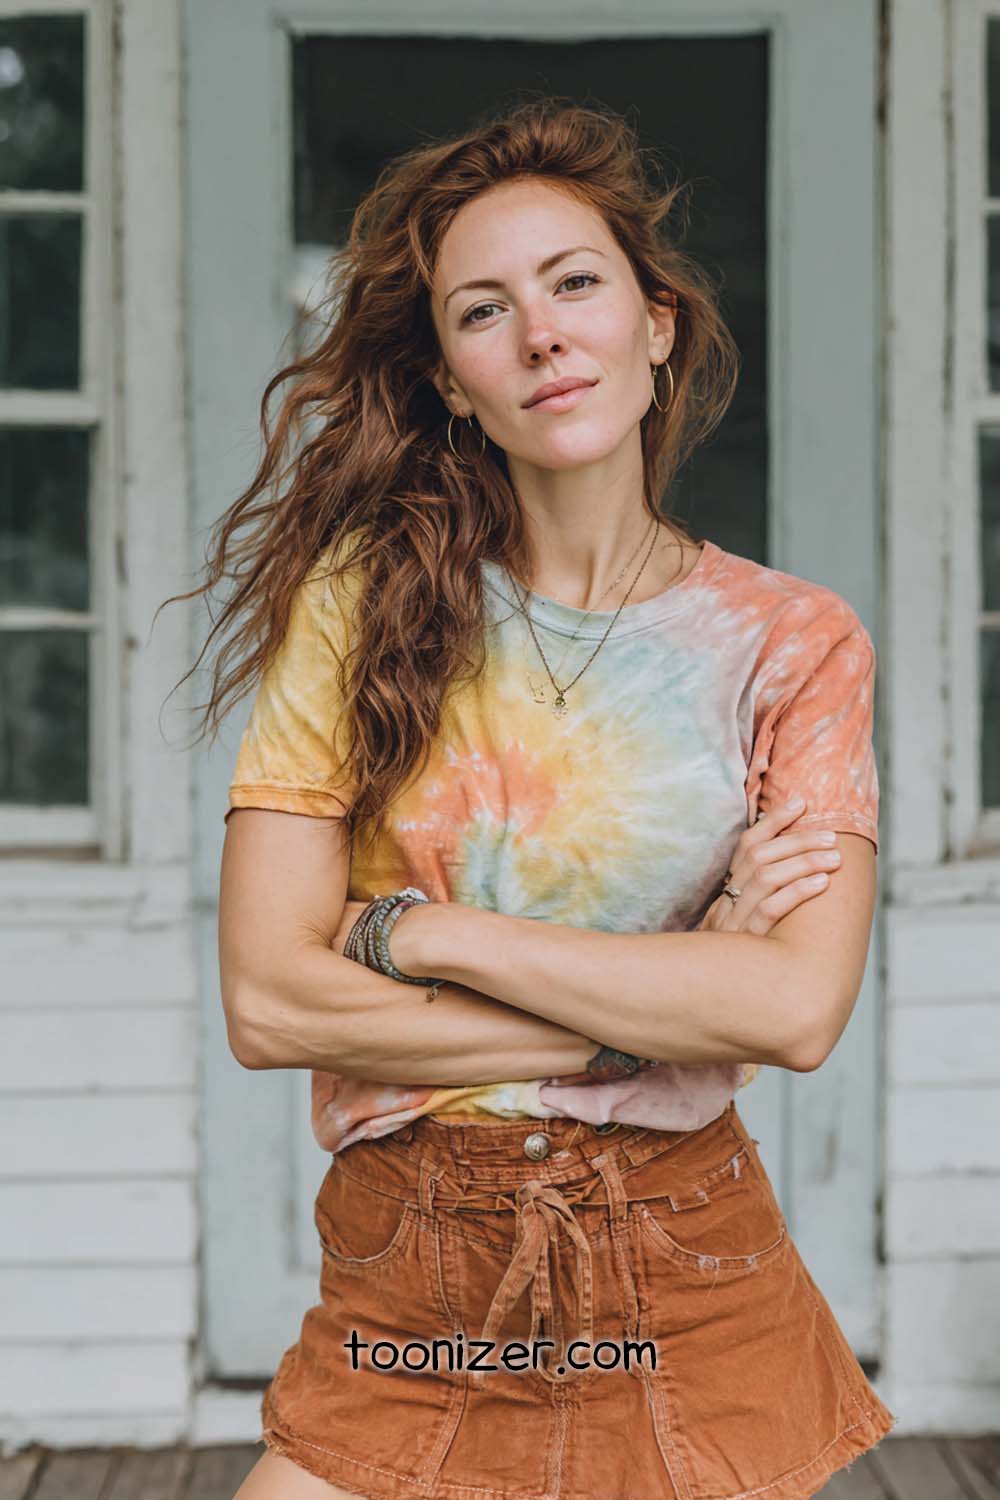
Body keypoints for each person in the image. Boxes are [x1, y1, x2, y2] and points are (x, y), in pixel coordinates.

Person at [171, 97, 895, 1499]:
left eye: (576, 284)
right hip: (416, 1277)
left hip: (689, 1272)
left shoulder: (794, 642)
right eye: (483, 311)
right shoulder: (362, 605)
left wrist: (427, 940)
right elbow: (270, 1002)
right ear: (450, 378)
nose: (543, 334)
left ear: (657, 322)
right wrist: (668, 1008)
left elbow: (794, 1011)